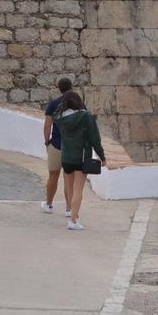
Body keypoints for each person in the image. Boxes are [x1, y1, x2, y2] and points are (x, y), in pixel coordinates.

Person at [53, 91, 105, 231]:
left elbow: (56, 111)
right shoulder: (85, 116)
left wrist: (63, 103)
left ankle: (73, 214)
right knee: (78, 189)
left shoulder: (59, 117)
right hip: (81, 158)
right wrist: (102, 156)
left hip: (66, 157)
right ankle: (73, 221)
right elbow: (95, 138)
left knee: (70, 188)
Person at [41, 77, 74, 217]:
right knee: (69, 177)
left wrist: (47, 141)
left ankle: (48, 204)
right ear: (71, 87)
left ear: (59, 88)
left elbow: (47, 125)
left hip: (56, 144)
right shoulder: (77, 103)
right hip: (71, 145)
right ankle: (69, 208)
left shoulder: (53, 104)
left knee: (53, 176)